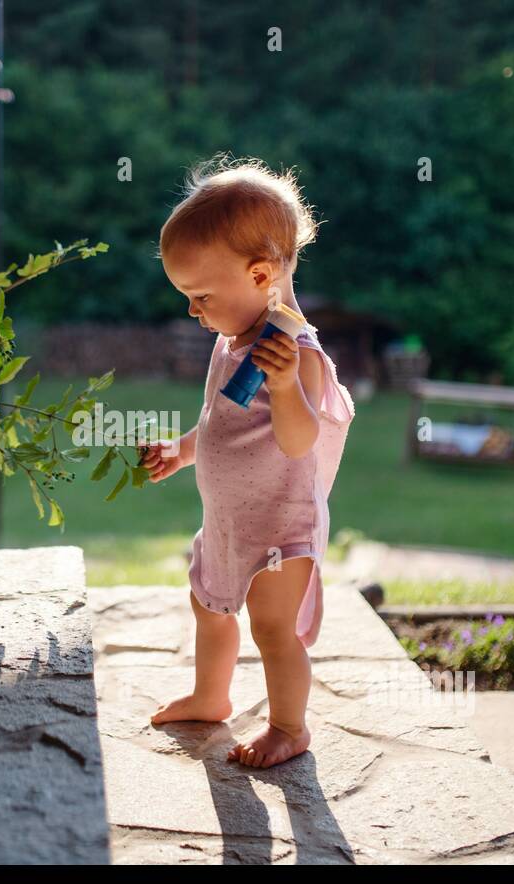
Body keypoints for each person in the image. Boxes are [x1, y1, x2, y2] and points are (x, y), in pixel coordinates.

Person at [140, 155, 356, 768]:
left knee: (271, 630)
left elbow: (297, 442)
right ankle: (212, 696)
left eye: (200, 295)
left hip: (280, 530)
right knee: (209, 606)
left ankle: (290, 726)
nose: (193, 310)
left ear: (261, 274)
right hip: (231, 522)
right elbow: (220, 424)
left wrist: (287, 390)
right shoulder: (232, 341)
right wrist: (181, 453)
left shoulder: (296, 357)